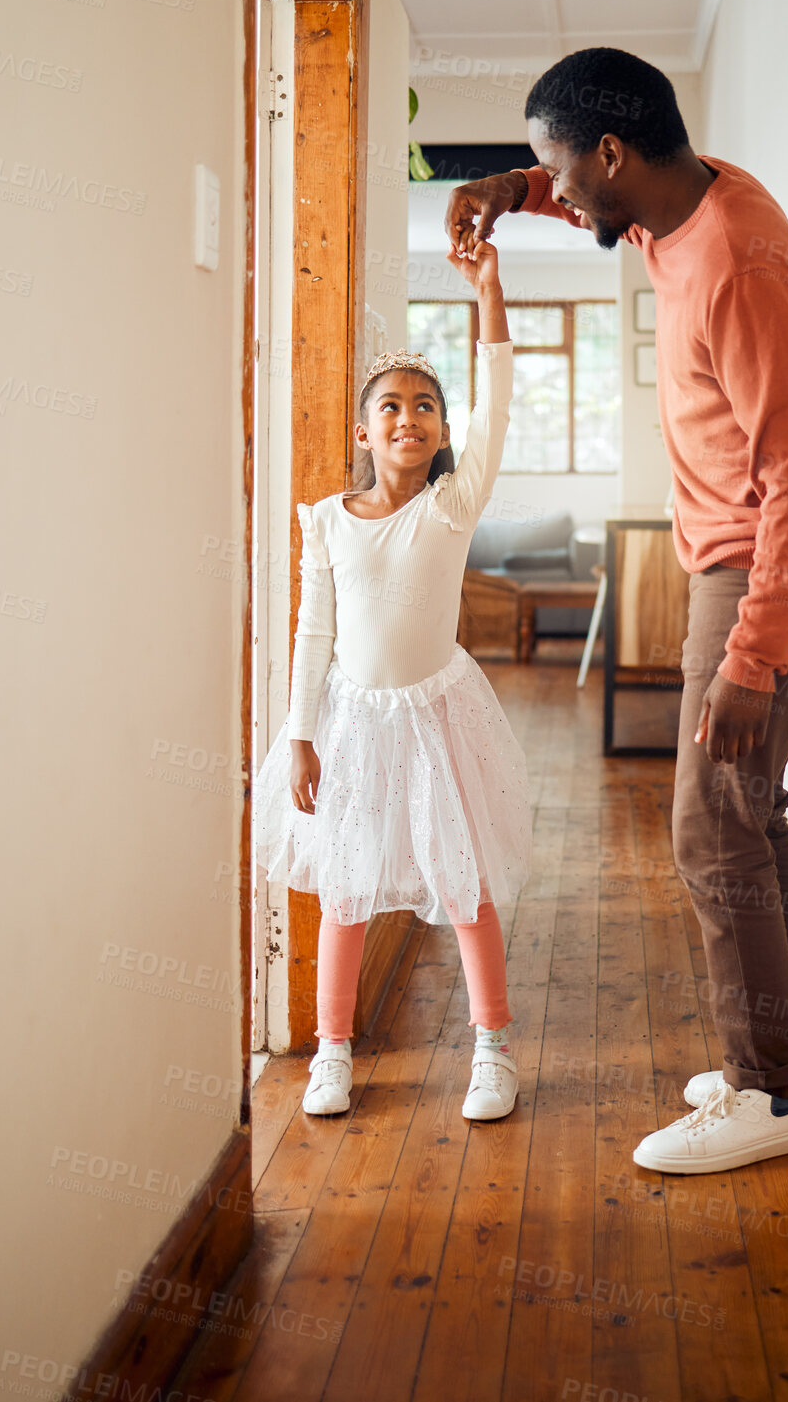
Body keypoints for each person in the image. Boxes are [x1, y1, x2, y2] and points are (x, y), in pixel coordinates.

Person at [444, 47, 788, 1175]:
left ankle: (763, 1091)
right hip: (747, 553)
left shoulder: (734, 265)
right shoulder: (676, 198)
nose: (558, 191)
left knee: (703, 821)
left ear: (613, 155)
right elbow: (581, 195)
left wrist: (752, 659)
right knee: (747, 808)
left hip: (783, 559)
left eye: (558, 172)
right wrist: (506, 186)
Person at [252, 239, 532, 1124]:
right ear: (365, 431)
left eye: (424, 406)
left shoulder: (450, 505)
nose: (408, 417)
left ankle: (491, 1046)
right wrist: (299, 732)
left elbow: (497, 405)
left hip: (438, 714)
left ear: (441, 432)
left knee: (464, 880)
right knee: (347, 885)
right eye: (389, 406)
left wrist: (488, 293)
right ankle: (332, 1049)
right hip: (354, 723)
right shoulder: (328, 521)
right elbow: (315, 630)